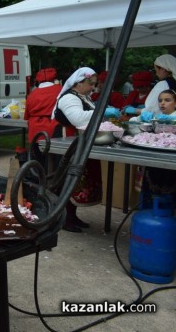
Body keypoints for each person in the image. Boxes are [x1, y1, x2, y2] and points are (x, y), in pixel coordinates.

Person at [53, 67, 121, 233]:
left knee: (78, 179)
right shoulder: (69, 97)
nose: (93, 88)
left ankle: (71, 216)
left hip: (81, 141)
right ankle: (64, 218)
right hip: (69, 142)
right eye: (90, 84)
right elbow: (77, 118)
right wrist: (101, 110)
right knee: (70, 178)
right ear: (79, 82)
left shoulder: (83, 97)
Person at [124, 54, 176, 119]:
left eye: (156, 70)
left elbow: (151, 110)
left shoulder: (163, 84)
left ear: (163, 69)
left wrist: (134, 110)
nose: (156, 74)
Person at [24, 68, 62, 142]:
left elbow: (27, 116)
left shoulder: (31, 95)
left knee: (35, 152)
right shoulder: (60, 90)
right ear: (53, 78)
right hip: (52, 129)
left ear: (38, 79)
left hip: (34, 131)